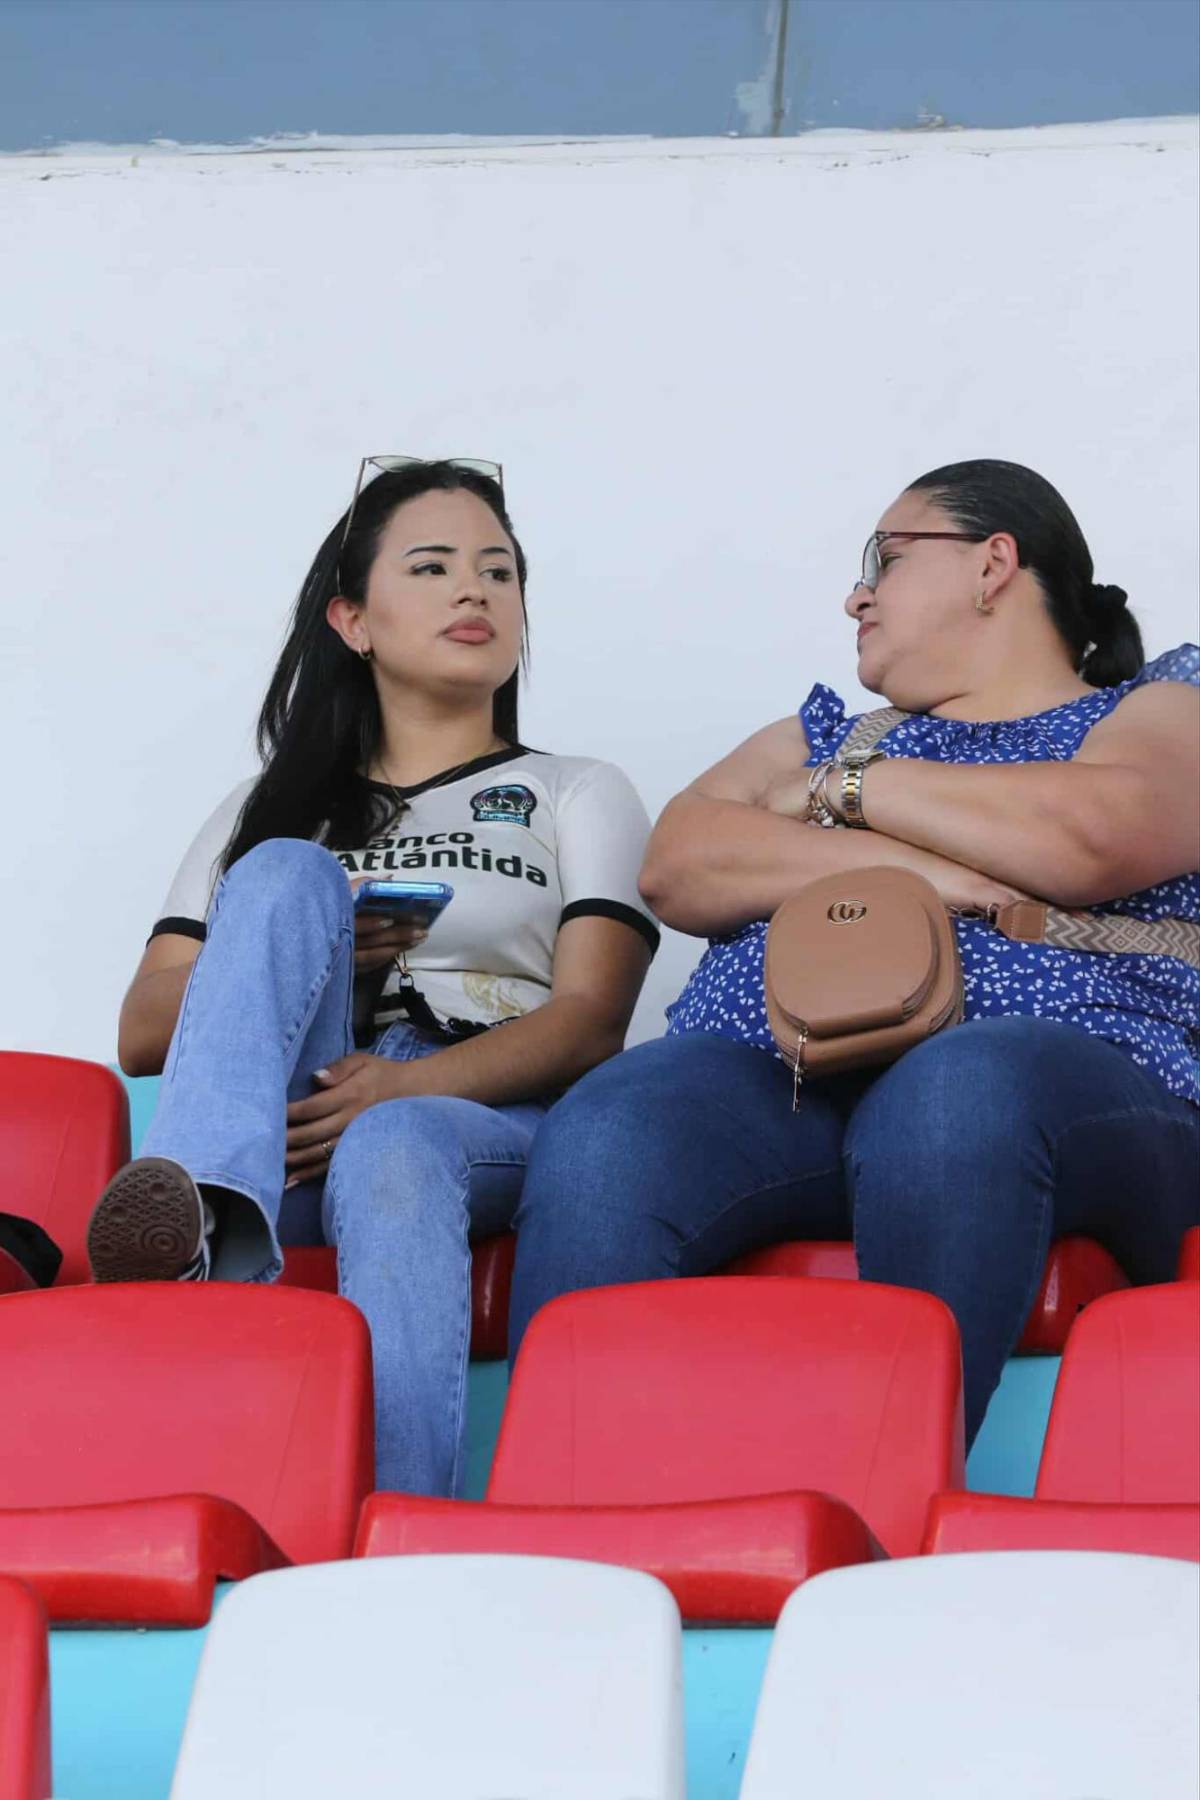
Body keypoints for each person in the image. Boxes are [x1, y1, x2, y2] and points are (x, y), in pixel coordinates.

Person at [508, 459, 1199, 1447]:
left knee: (953, 1092)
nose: (856, 592)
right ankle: (566, 1517)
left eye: (887, 556)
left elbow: (1091, 837)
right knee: (615, 1125)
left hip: (1068, 1090)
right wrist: (924, 867)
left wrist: (847, 793)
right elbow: (680, 862)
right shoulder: (830, 728)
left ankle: (882, 1506)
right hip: (786, 1082)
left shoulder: (1151, 712)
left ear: (993, 563)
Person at [88, 457, 658, 1494]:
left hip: (478, 1112)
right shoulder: (263, 808)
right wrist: (309, 955)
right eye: (434, 568)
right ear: (354, 620)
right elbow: (142, 1026)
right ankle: (202, 1214)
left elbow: (592, 1019)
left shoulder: (574, 790)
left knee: (392, 1142)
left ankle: (400, 1529)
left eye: (499, 571)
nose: (474, 591)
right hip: (285, 1128)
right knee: (287, 875)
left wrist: (406, 1087)